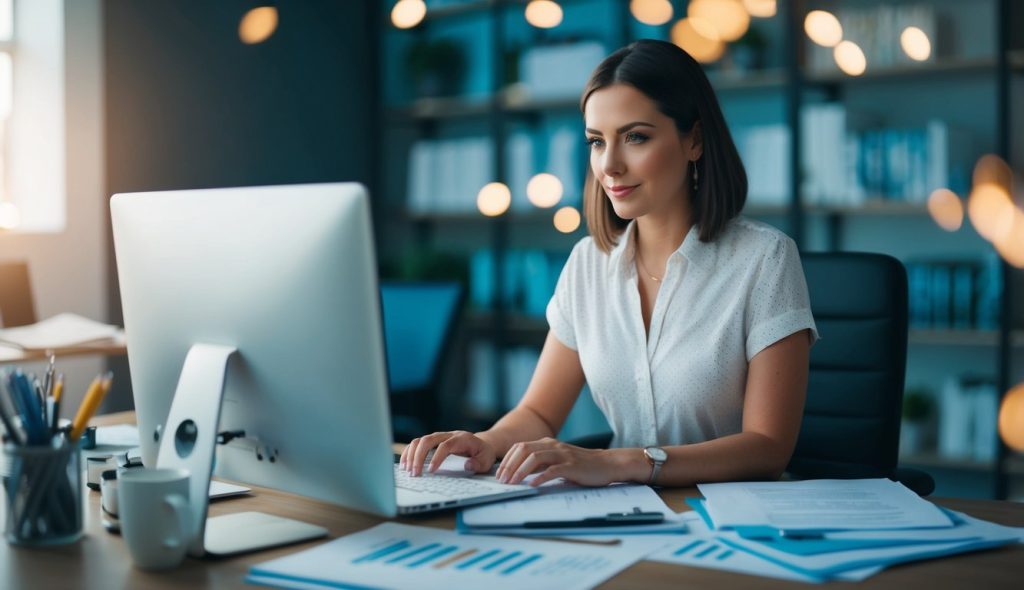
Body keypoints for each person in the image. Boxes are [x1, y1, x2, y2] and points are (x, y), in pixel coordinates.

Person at [400, 39, 818, 488]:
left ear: (694, 140)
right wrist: (486, 441)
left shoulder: (765, 259)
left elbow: (768, 448)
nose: (610, 165)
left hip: (734, 521)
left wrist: (617, 463)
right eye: (597, 142)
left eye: (636, 137)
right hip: (627, 513)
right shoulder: (587, 264)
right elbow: (539, 412)